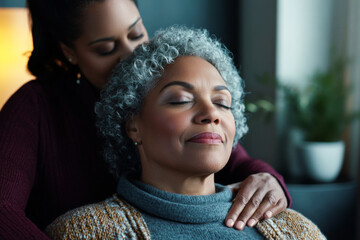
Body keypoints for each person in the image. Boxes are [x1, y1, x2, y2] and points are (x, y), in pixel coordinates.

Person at [0, 0, 290, 239]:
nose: (130, 55)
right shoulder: (36, 108)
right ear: (69, 52)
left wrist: (269, 180)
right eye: (106, 49)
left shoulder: (176, 108)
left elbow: (229, 153)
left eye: (137, 34)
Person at [45, 26, 325, 240]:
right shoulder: (82, 232)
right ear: (133, 125)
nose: (211, 113)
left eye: (222, 102)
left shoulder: (296, 231)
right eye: (180, 99)